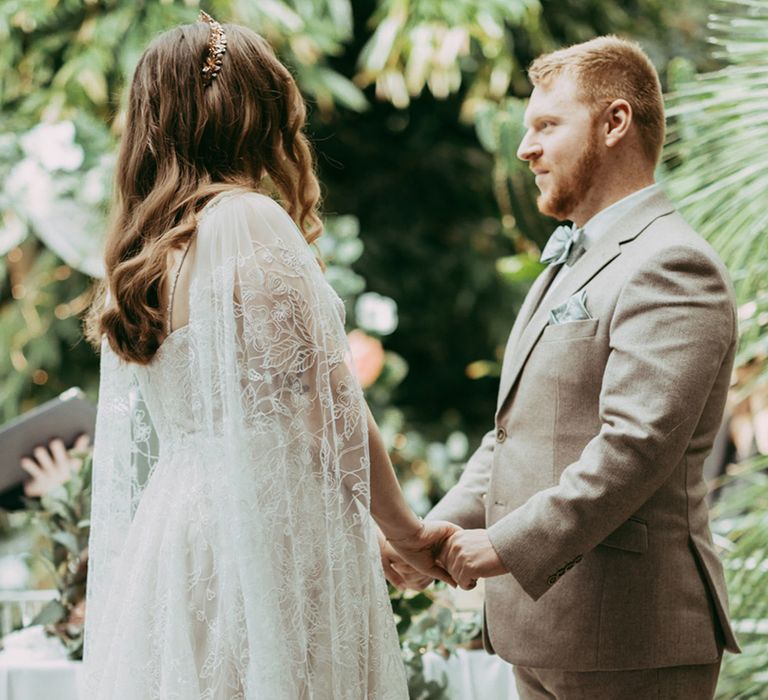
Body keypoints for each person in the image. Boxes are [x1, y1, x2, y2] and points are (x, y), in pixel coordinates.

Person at [82, 12, 455, 699]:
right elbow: (327, 404)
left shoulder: (149, 252)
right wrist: (405, 532)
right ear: (250, 114)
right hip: (265, 538)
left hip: (183, 533)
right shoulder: (246, 222)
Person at [386, 36, 741, 699]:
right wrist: (440, 532)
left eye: (547, 125)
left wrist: (506, 545)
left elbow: (634, 449)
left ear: (614, 123)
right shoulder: (571, 261)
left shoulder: (670, 263)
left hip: (632, 639)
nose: (525, 149)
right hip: (548, 631)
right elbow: (517, 434)